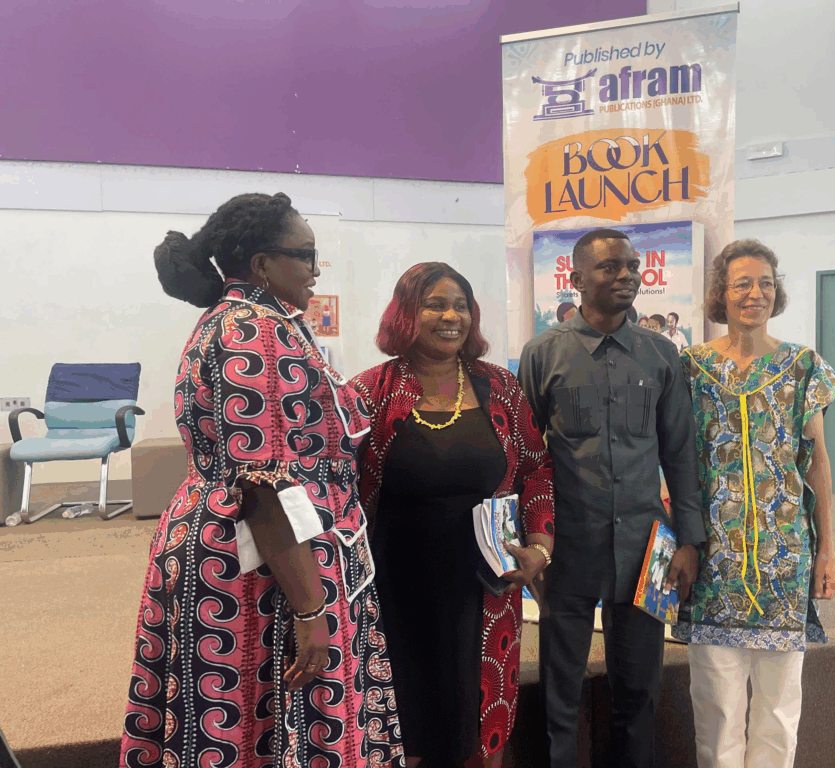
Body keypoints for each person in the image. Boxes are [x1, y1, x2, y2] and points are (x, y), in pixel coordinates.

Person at [123, 193, 403, 768]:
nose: (316, 269)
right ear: (261, 264)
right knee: (264, 714)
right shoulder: (256, 332)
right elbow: (264, 484)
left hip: (243, 545)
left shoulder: (243, 322)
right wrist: (310, 609)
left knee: (236, 721)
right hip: (264, 565)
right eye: (305, 255)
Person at [352, 262, 556, 768]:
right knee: (404, 727)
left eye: (460, 306)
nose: (451, 317)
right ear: (406, 314)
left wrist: (540, 547)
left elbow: (536, 469)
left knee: (478, 725)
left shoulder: (499, 386)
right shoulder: (370, 392)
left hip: (485, 589)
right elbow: (340, 490)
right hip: (394, 592)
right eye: (435, 305)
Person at [517, 228, 705, 768]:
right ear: (576, 279)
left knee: (639, 693)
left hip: (647, 550)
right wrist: (531, 543)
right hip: (568, 550)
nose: (626, 276)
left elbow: (680, 453)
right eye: (610, 267)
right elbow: (524, 459)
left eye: (632, 266)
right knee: (560, 694)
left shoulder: (661, 355)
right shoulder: (543, 353)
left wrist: (689, 541)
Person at [673, 239, 835, 768]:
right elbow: (675, 460)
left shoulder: (802, 366)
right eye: (743, 283)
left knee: (779, 711)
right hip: (713, 564)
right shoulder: (690, 368)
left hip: (785, 562)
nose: (756, 293)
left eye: (766, 283)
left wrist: (828, 550)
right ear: (720, 293)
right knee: (717, 710)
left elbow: (816, 463)